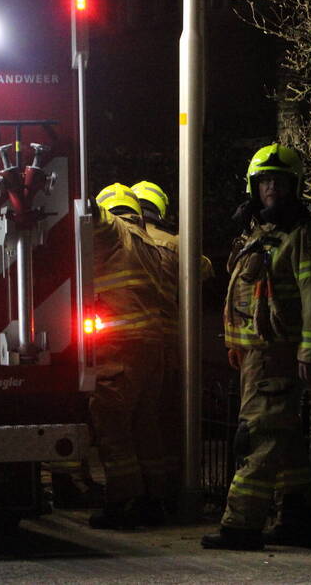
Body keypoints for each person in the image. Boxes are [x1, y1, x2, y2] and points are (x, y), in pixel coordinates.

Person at [201, 143, 311, 551]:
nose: (272, 187)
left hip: (279, 355)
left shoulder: (304, 236)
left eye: (279, 180)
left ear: (295, 186)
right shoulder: (260, 234)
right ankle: (297, 519)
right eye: (265, 181)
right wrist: (235, 345)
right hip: (257, 356)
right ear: (254, 187)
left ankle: (241, 525)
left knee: (256, 437)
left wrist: (310, 355)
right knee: (286, 438)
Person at [86, 183, 169, 529]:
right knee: (146, 425)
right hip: (152, 346)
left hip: (121, 345)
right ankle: (154, 499)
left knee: (113, 425)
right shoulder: (148, 240)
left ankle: (122, 502)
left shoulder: (116, 230)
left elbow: (97, 218)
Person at [130, 180, 213, 509]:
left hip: (129, 342)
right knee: (168, 419)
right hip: (170, 344)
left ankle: (138, 489)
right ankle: (171, 488)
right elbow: (204, 269)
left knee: (136, 417)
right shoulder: (175, 244)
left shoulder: (122, 240)